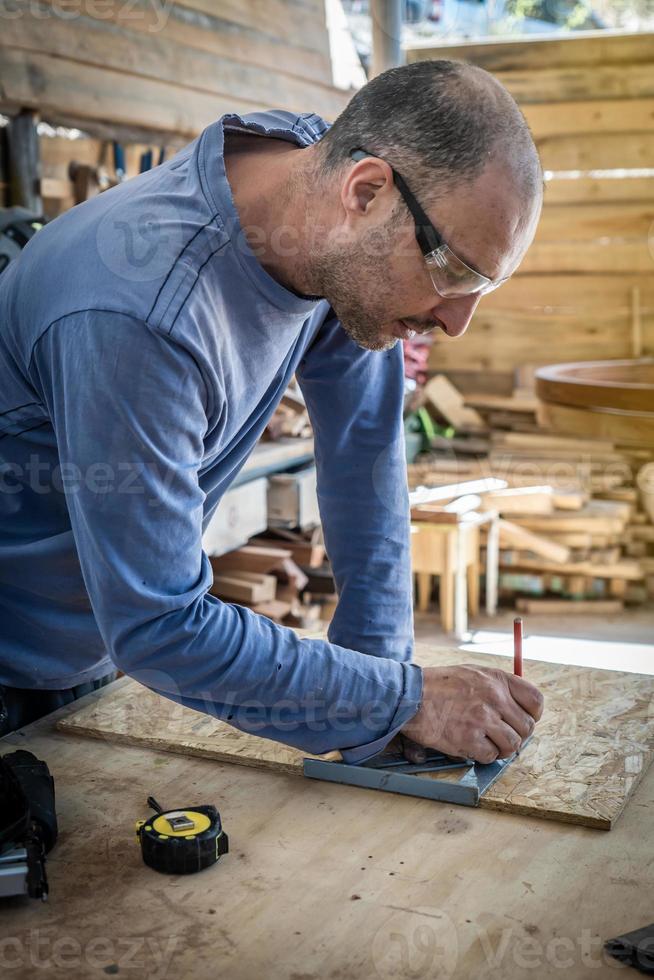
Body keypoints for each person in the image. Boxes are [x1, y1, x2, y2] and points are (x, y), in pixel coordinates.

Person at [0, 60, 544, 760]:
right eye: (454, 272)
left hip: (92, 652)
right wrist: (405, 699)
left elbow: (363, 459)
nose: (458, 321)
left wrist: (386, 707)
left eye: (484, 287)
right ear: (367, 190)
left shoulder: (320, 202)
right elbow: (160, 626)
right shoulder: (137, 313)